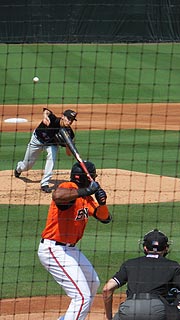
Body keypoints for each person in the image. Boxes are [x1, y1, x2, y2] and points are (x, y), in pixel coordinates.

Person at [38, 160, 112, 320]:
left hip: (70, 249)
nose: (95, 179)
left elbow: (104, 218)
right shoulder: (68, 188)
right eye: (93, 176)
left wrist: (102, 203)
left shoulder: (86, 197)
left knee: (93, 283)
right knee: (82, 297)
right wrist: (85, 191)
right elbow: (57, 196)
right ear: (84, 178)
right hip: (53, 249)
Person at [103, 229, 180, 320]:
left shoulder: (130, 264)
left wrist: (109, 318)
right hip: (157, 311)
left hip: (129, 309)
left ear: (145, 248)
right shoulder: (173, 266)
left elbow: (107, 289)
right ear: (166, 248)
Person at [14, 108, 77, 193]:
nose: (70, 122)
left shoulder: (69, 133)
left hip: (51, 145)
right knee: (27, 166)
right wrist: (45, 116)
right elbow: (46, 110)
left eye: (72, 120)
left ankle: (45, 183)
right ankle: (19, 169)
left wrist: (68, 144)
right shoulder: (53, 120)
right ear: (63, 116)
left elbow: (69, 154)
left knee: (52, 156)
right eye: (68, 118)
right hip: (37, 141)